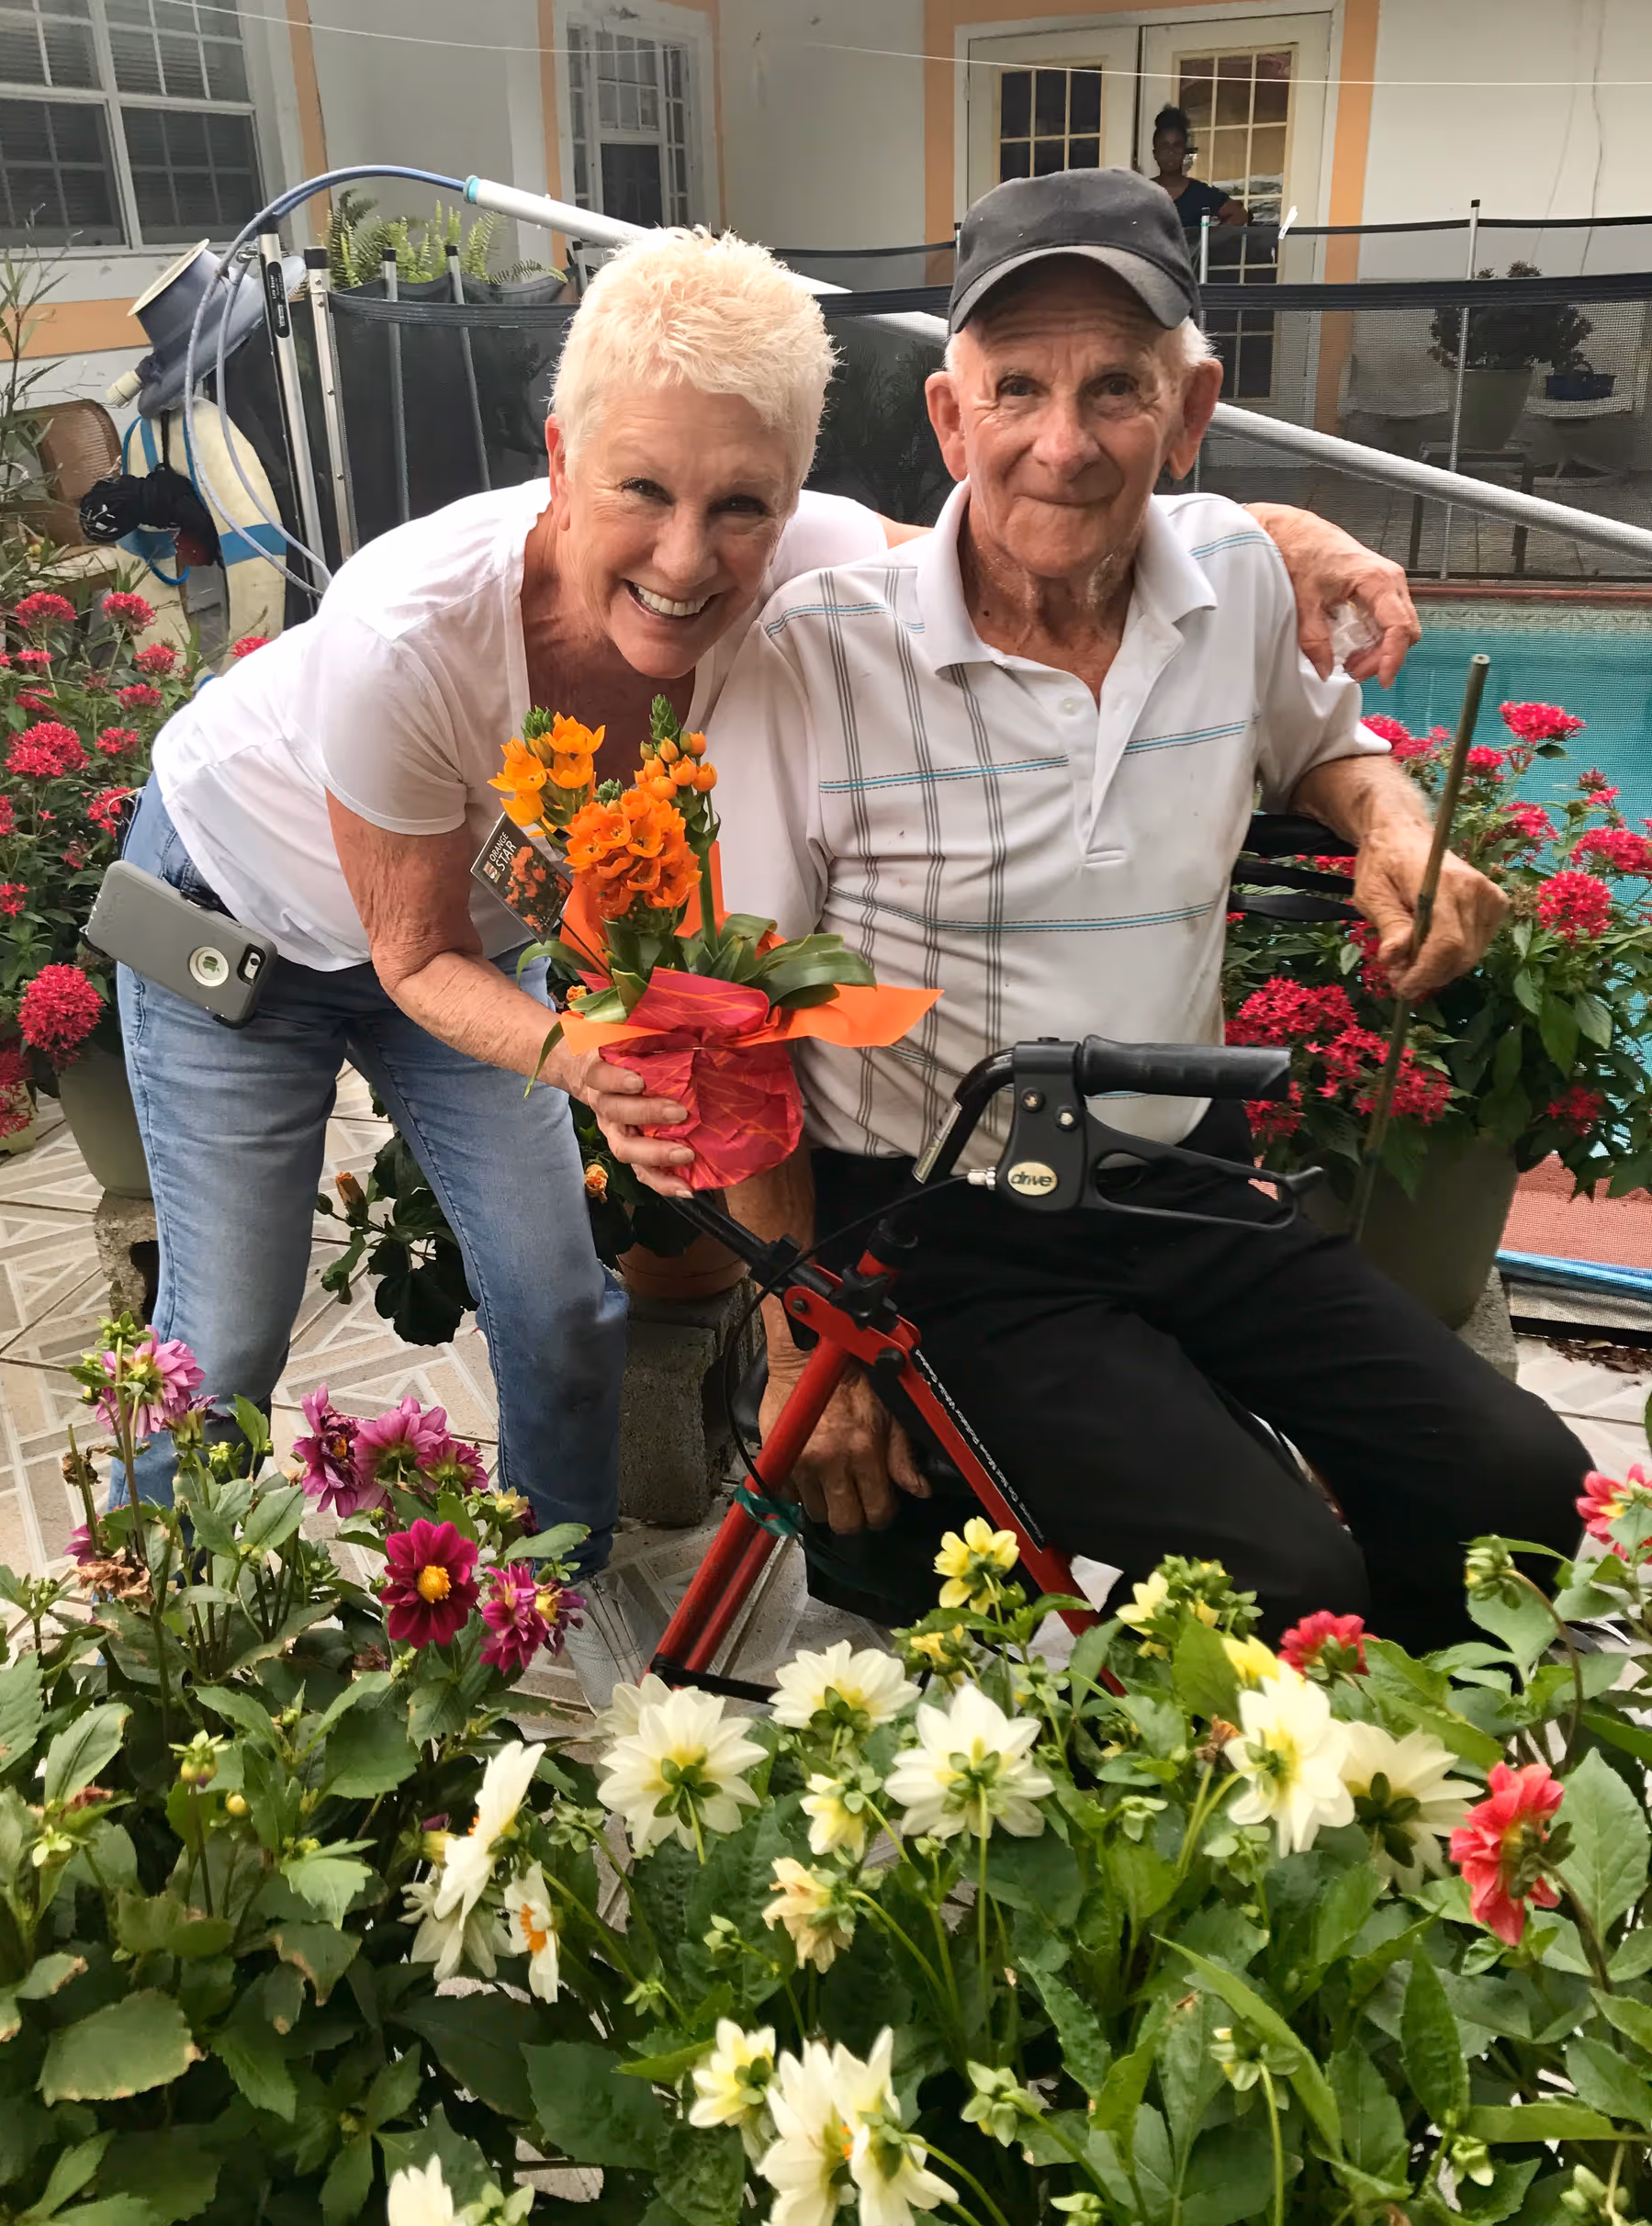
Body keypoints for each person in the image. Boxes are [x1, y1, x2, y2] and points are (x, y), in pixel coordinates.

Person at [118, 223, 1424, 1700]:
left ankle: (540, 1597)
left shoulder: (811, 555)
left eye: (740, 504)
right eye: (641, 491)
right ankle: (155, 1638)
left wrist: (1279, 534)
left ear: (791, 496)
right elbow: (409, 954)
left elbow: (1039, 520)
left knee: (560, 1306)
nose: (688, 559)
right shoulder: (406, 633)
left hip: (472, 938)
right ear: (561, 460)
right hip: (243, 919)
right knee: (226, 1328)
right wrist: (588, 1054)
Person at [699, 170, 1588, 1653]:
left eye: (1116, 386)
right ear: (951, 420)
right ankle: (1257, 1756)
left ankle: (1402, 1759)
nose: (1064, 442)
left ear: (1188, 413)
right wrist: (803, 1331)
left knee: (1523, 1484)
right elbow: (738, 1025)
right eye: (1020, 388)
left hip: (1181, 1179)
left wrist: (1394, 824)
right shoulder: (816, 658)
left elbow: (1322, 745)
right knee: (1283, 1573)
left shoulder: (1235, 576)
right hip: (941, 1226)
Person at [1152, 103, 1248, 239]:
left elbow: (1240, 214)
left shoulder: (1199, 192)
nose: (1171, 152)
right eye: (1164, 146)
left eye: (1177, 145)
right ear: (1155, 153)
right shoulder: (1143, 190)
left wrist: (1208, 241)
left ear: (1185, 152)